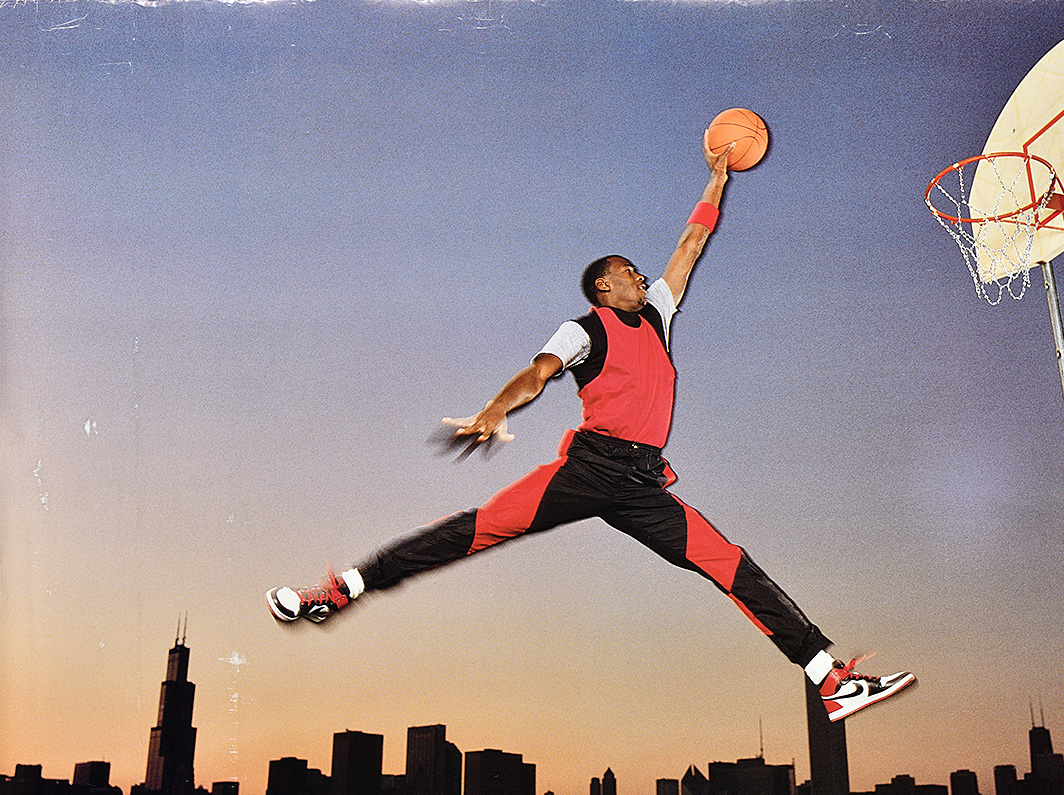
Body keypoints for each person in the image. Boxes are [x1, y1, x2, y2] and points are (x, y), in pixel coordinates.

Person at [267, 137, 915, 722]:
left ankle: (829, 679)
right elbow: (539, 371)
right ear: (604, 288)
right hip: (590, 469)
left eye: (640, 271)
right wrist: (497, 409)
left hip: (640, 481)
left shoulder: (657, 313)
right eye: (628, 272)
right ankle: (342, 589)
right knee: (476, 528)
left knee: (729, 563)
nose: (642, 275)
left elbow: (691, 245)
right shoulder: (585, 329)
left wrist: (718, 181)